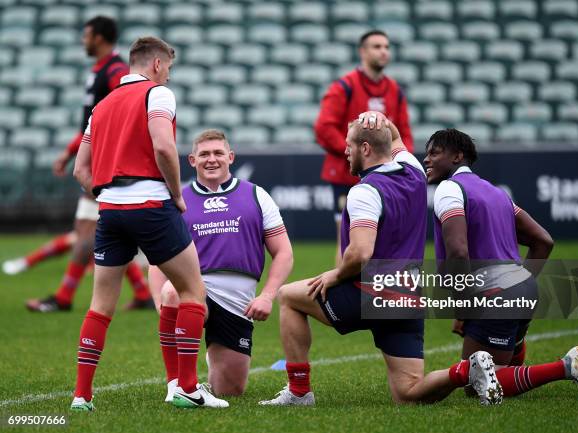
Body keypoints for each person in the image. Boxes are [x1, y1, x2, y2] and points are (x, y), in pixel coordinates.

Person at [260, 112, 503, 407]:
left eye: (349, 145)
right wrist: (380, 119)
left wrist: (335, 275)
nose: (344, 151)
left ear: (365, 149)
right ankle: (466, 371)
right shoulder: (414, 169)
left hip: (371, 293)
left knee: (288, 296)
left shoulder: (365, 191)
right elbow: (396, 137)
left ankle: (299, 392)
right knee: (408, 394)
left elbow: (361, 253)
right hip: (408, 296)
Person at [69, 36, 227, 411]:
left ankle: (81, 396)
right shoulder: (157, 95)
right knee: (192, 292)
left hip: (109, 211)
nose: (168, 77)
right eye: (168, 68)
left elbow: (80, 169)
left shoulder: (102, 106)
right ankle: (187, 388)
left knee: (99, 306)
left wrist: (109, 197)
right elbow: (163, 146)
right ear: (156, 64)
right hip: (151, 204)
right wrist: (175, 193)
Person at [424, 127, 578, 399]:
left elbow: (458, 253)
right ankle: (517, 341)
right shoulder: (496, 193)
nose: (426, 160)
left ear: (457, 156)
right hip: (521, 289)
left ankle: (567, 366)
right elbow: (543, 241)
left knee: (475, 385)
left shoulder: (449, 188)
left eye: (434, 153)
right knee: (493, 374)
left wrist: (462, 308)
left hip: (493, 294)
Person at [148, 129, 293, 401]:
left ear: (231, 157)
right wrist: (161, 302)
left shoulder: (256, 195)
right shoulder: (177, 200)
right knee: (172, 293)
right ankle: (178, 385)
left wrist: (267, 296)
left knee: (231, 388)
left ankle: (205, 357)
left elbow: (284, 252)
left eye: (217, 153)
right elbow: (158, 259)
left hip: (237, 300)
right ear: (192, 160)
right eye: (204, 154)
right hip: (192, 288)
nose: (211, 159)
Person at [23, 16, 153, 312]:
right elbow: (91, 124)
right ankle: (143, 293)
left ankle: (64, 298)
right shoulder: (100, 70)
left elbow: (120, 113)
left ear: (100, 38)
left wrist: (82, 154)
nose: (84, 40)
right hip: (97, 157)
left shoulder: (115, 71)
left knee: (87, 231)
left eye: (87, 35)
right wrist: (70, 152)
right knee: (93, 229)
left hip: (103, 162)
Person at [314, 30, 414, 267]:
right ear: (362, 51)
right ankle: (340, 298)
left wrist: (401, 160)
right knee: (348, 239)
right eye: (377, 46)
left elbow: (404, 132)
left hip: (387, 177)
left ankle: (379, 294)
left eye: (387, 47)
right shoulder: (344, 87)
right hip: (347, 176)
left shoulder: (394, 90)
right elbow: (323, 128)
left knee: (386, 240)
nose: (383, 51)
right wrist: (356, 152)